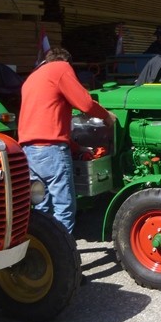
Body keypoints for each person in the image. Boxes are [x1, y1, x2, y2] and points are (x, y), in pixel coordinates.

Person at [19, 47, 113, 233]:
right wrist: (106, 116)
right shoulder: (61, 68)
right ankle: (66, 257)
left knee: (41, 206)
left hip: (29, 151)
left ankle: (48, 253)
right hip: (51, 151)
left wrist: (77, 148)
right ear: (66, 62)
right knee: (64, 206)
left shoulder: (32, 78)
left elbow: (45, 122)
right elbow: (85, 103)